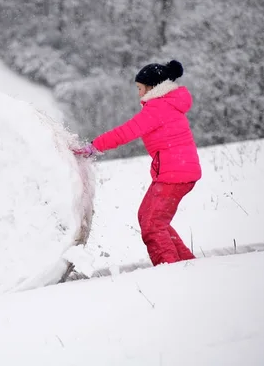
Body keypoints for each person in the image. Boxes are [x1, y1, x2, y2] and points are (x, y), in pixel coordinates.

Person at [73, 59, 201, 266]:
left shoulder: (158, 107)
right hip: (179, 171)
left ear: (153, 87)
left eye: (140, 88)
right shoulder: (168, 105)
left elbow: (126, 132)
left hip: (174, 173)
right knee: (152, 219)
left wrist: (94, 147)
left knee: (152, 223)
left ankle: (171, 268)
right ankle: (186, 262)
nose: (139, 94)